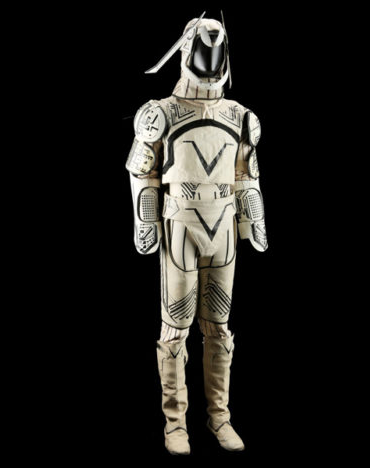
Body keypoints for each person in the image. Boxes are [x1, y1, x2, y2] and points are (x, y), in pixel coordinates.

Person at [125, 12, 267, 455]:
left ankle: (219, 416)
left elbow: (245, 175)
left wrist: (252, 220)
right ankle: (175, 424)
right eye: (204, 49)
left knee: (219, 327)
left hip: (222, 228)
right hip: (180, 227)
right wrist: (147, 219)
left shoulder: (239, 116)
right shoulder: (160, 113)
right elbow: (142, 171)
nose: (211, 58)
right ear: (186, 51)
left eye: (217, 49)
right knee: (175, 327)